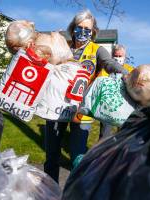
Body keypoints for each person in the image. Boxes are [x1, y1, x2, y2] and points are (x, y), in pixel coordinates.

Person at [43, 9, 128, 183]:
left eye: (87, 29)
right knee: (51, 156)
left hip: (82, 111)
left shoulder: (97, 50)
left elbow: (109, 63)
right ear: (72, 28)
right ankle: (49, 192)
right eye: (79, 27)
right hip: (55, 108)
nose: (83, 32)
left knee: (77, 158)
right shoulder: (62, 46)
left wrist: (126, 74)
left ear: (93, 31)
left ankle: (76, 193)